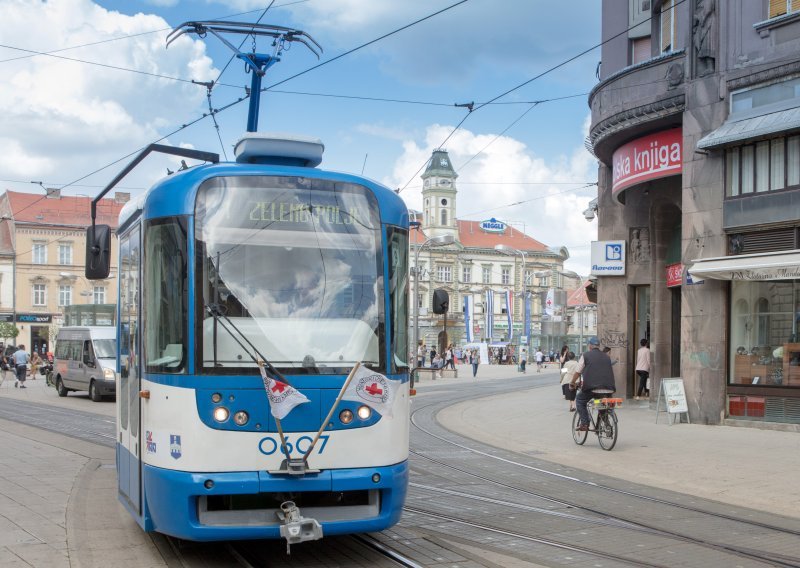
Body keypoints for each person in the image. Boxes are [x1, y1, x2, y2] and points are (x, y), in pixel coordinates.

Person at [570, 337, 616, 431]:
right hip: (609, 388)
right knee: (600, 404)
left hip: (593, 388)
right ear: (598, 346)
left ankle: (585, 423)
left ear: (590, 346)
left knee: (579, 400)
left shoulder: (586, 355)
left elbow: (578, 372)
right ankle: (606, 423)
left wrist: (572, 382)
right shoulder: (606, 357)